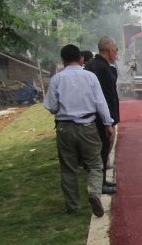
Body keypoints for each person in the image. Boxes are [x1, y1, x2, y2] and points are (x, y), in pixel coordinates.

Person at [43, 44, 114, 217]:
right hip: (87, 126)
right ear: (81, 59)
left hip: (64, 128)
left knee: (68, 168)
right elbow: (100, 102)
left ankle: (73, 206)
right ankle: (94, 193)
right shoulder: (89, 77)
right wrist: (108, 123)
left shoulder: (57, 79)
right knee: (95, 164)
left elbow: (51, 107)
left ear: (63, 60)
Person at [84, 36, 120, 192]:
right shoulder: (102, 68)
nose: (117, 52)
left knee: (102, 151)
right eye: (116, 49)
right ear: (109, 49)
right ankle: (100, 184)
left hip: (97, 116)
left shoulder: (95, 65)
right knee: (102, 150)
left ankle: (102, 180)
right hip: (101, 118)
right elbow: (104, 98)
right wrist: (108, 121)